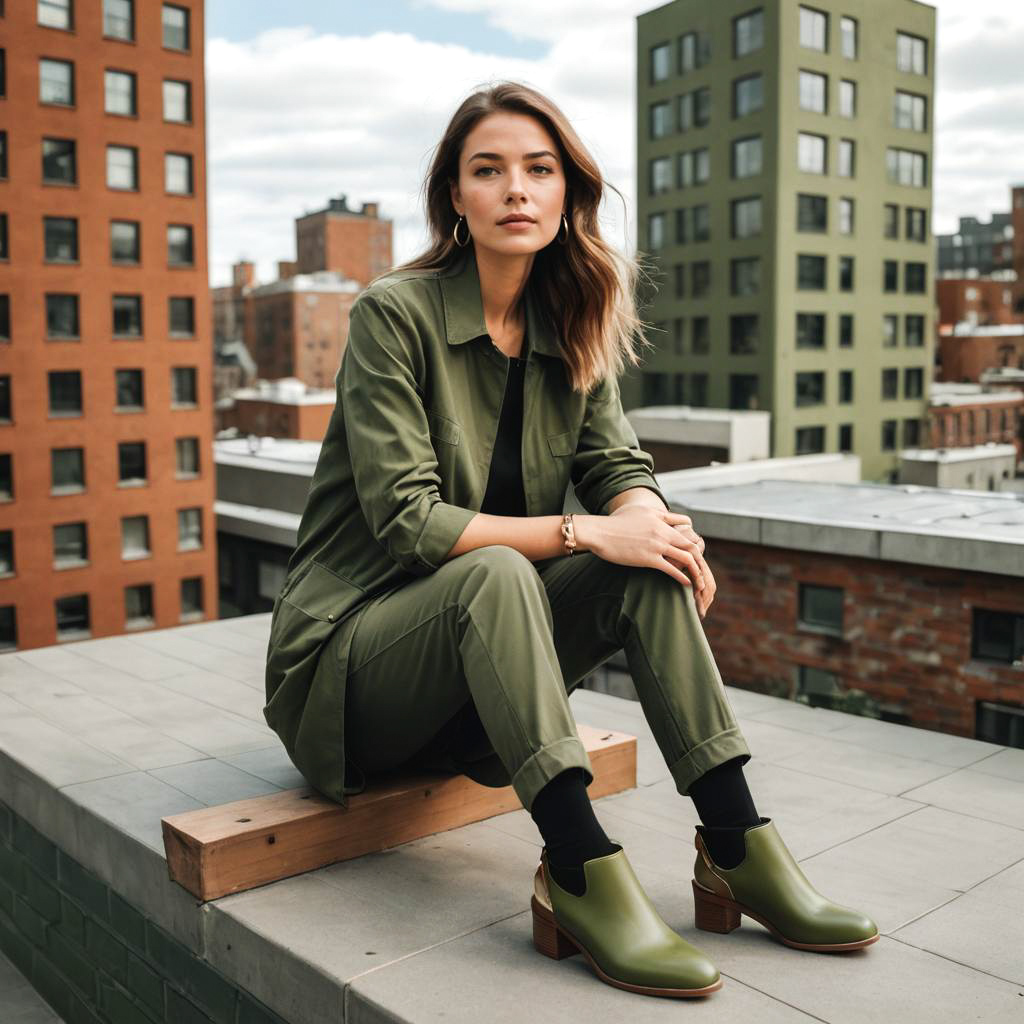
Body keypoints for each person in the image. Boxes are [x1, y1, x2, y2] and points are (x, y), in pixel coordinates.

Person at [263, 80, 878, 1000]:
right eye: (489, 170)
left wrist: (644, 520)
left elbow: (619, 461)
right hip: (350, 684)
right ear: (456, 199)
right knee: (501, 570)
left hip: (474, 696)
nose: (517, 188)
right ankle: (579, 866)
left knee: (648, 560)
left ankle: (737, 845)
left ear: (566, 196)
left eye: (538, 169)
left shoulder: (574, 316)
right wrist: (587, 528)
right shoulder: (393, 314)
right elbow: (409, 523)